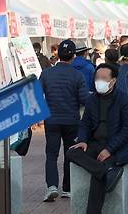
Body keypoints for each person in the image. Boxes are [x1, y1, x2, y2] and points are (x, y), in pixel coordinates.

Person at [66, 63, 128, 214]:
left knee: (99, 172)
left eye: (104, 78)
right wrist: (83, 140)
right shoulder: (92, 99)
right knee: (71, 152)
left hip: (117, 147)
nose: (100, 81)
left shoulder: (124, 99)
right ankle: (105, 171)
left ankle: (92, 211)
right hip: (94, 143)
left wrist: (109, 149)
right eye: (97, 78)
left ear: (113, 80)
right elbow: (85, 123)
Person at [39, 39, 90, 201]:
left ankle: (52, 186)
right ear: (74, 56)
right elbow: (83, 100)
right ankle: (68, 187)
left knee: (51, 154)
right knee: (71, 153)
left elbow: (38, 96)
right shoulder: (78, 75)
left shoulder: (46, 74)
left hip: (51, 120)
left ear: (58, 55)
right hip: (72, 121)